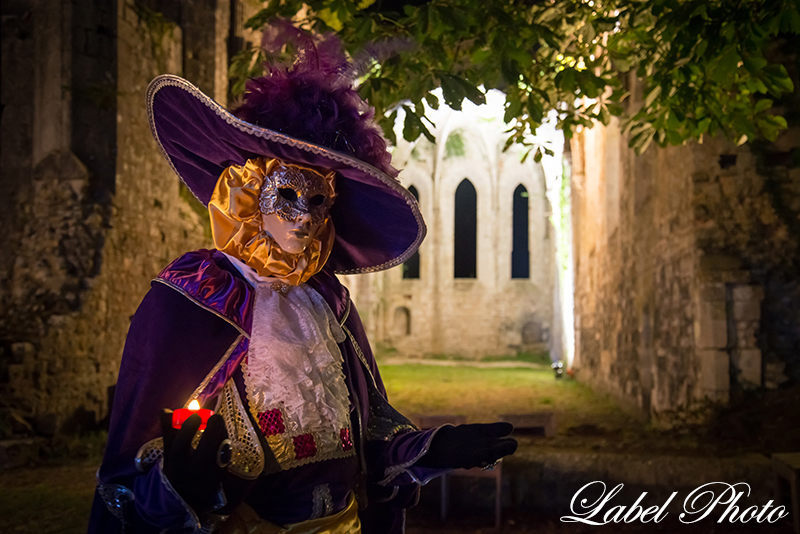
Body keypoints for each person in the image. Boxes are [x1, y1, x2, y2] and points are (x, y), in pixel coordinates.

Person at [89, 30, 517, 534]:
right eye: (288, 194)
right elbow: (126, 482)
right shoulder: (191, 299)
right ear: (248, 191)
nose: (304, 219)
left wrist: (431, 449)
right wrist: (175, 486)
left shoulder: (328, 301)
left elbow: (370, 439)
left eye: (319, 203)